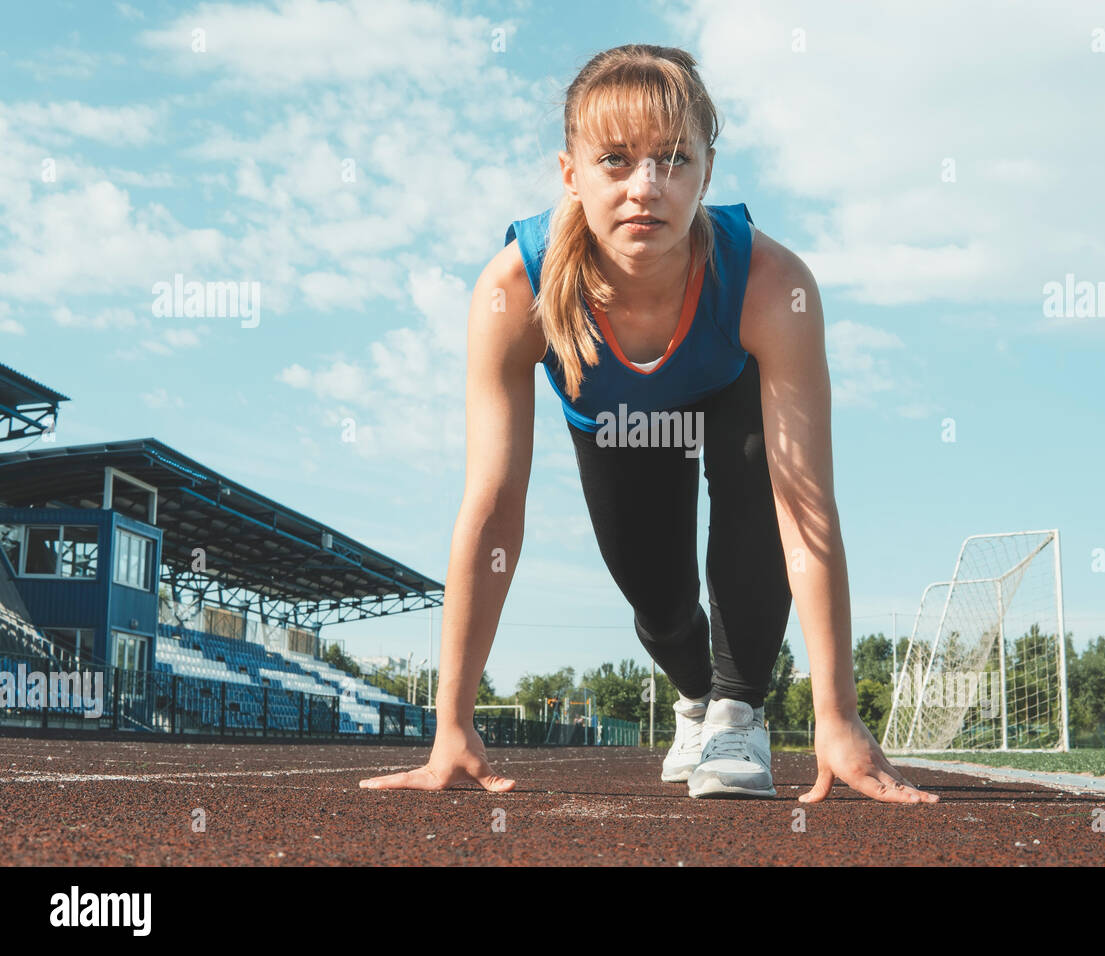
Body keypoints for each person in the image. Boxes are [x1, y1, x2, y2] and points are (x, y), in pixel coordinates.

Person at [361, 43, 938, 805]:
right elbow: (493, 506)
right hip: (617, 421)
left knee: (761, 474)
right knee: (659, 602)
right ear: (570, 172)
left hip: (729, 391)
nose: (646, 187)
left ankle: (736, 712)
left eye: (673, 160)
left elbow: (806, 509)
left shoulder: (773, 286)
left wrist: (836, 715)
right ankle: (696, 695)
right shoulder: (516, 290)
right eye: (616, 161)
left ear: (707, 172)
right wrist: (452, 723)